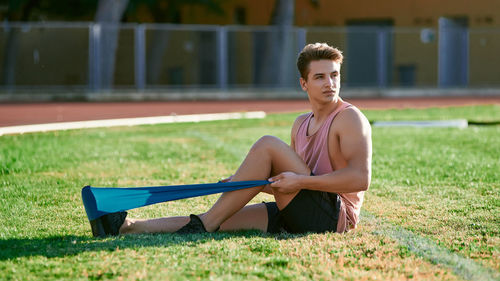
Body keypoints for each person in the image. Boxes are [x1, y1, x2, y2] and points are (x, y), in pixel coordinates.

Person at [96, 42, 372, 236]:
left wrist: (299, 181)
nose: (330, 84)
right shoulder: (301, 124)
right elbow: (286, 184)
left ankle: (207, 222)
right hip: (304, 208)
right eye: (320, 77)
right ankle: (127, 226)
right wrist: (245, 184)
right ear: (304, 83)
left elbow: (360, 179)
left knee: (267, 144)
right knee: (223, 220)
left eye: (334, 75)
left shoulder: (349, 118)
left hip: (335, 219)